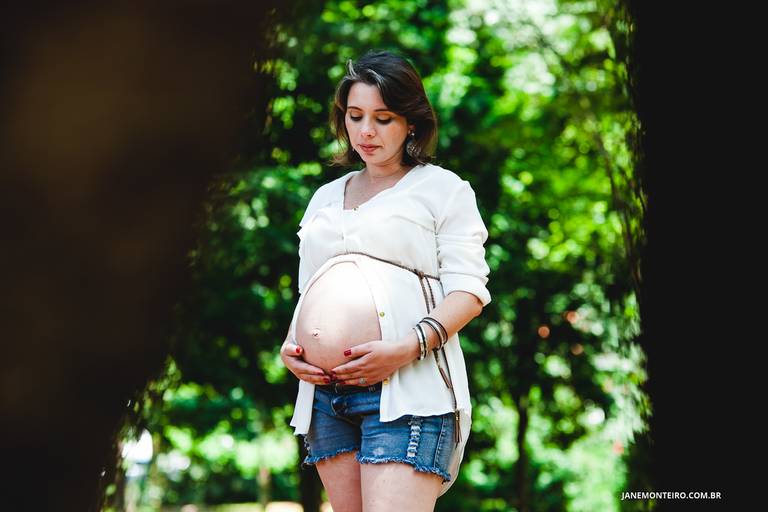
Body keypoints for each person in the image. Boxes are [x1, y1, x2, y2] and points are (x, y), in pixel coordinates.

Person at [279, 49, 492, 512]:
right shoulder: (324, 197)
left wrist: (404, 348)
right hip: (325, 397)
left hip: (408, 391)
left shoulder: (442, 189)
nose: (366, 131)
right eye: (355, 116)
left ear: (411, 122)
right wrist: (292, 347)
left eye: (383, 118)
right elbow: (308, 291)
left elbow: (469, 291)